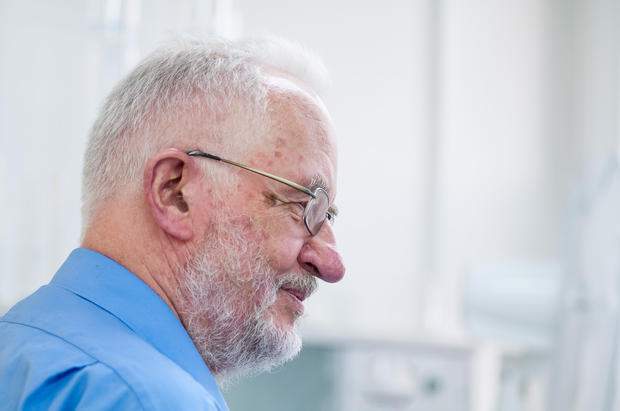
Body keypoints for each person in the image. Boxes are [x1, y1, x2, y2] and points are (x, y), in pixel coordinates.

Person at [0, 38, 345, 410]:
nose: (331, 264)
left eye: (328, 216)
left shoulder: (18, 347)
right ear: (175, 193)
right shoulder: (153, 399)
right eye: (304, 205)